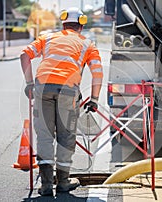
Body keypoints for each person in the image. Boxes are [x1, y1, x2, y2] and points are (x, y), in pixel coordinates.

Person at [20, 7, 103, 196]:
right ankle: (63, 182)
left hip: (42, 88)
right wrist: (95, 99)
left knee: (45, 136)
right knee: (66, 137)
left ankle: (47, 185)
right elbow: (97, 73)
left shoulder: (48, 38)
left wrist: (29, 84)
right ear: (81, 25)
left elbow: (24, 55)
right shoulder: (87, 43)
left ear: (63, 23)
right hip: (68, 91)